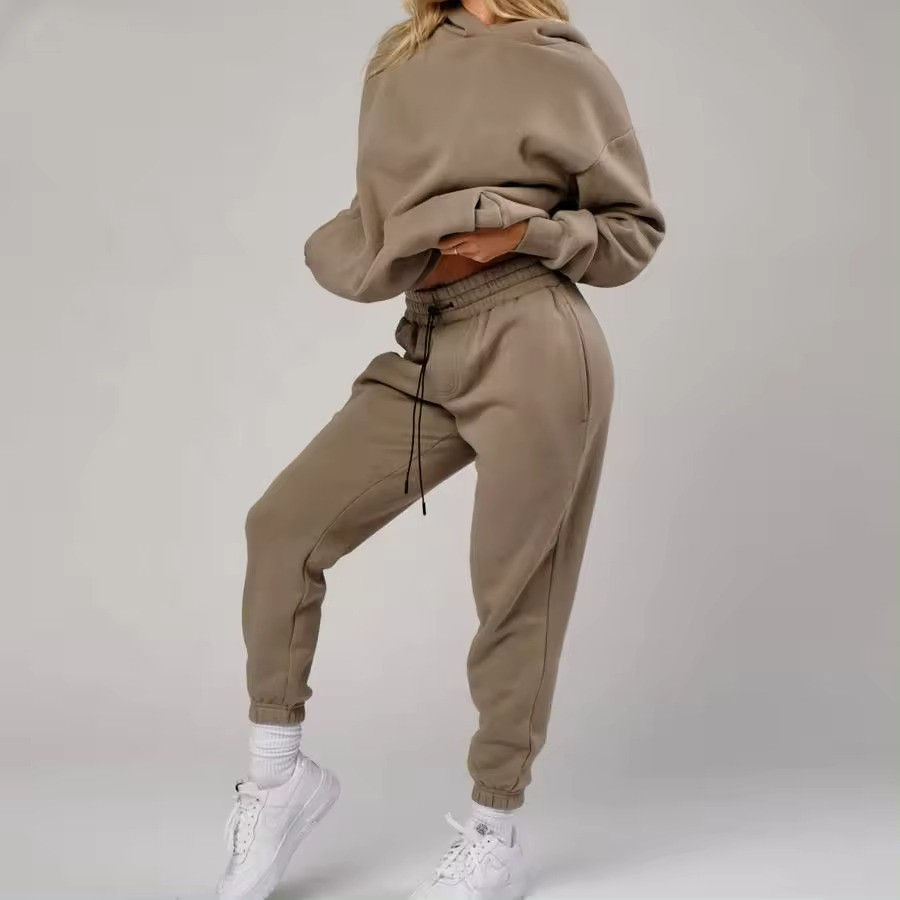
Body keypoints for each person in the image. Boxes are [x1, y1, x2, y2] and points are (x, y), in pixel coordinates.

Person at [215, 1, 665, 898]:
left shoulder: (562, 65)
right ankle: (278, 778)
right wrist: (365, 249)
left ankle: (496, 830)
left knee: (515, 593)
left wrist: (528, 234)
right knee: (283, 528)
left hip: (536, 339)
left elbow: (632, 232)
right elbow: (383, 211)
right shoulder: (400, 60)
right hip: (427, 339)